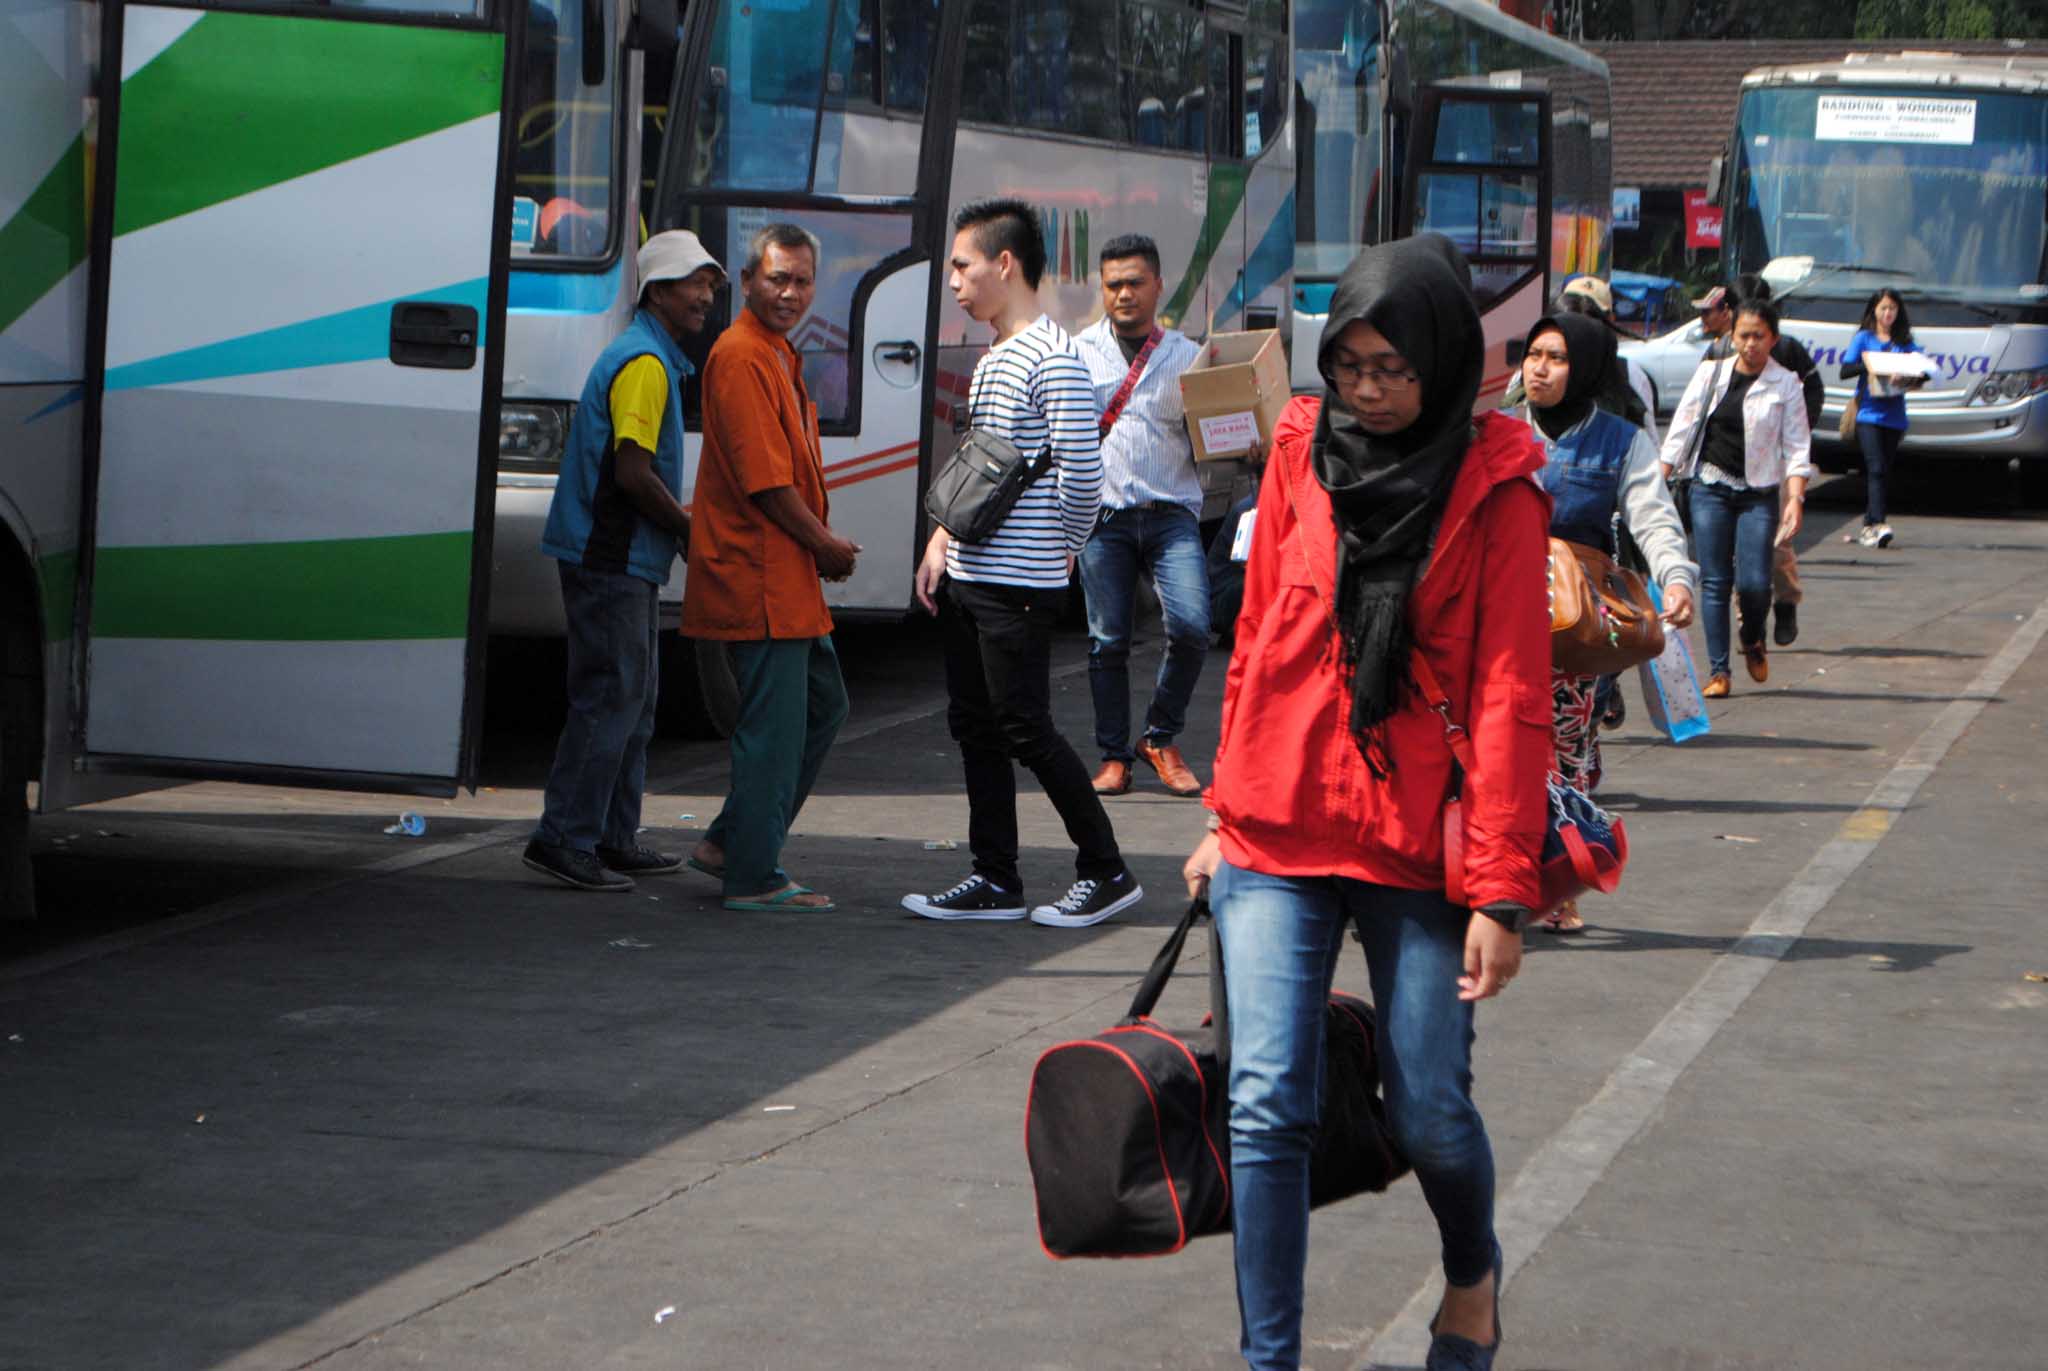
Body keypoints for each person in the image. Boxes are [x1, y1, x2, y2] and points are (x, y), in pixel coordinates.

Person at [1183, 235, 1550, 1371]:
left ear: (1441, 362)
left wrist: (1500, 889)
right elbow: (1258, 639)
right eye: (1347, 366)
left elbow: (1508, 697)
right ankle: (1268, 1361)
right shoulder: (1297, 447)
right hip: (1275, 825)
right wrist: (1217, 811)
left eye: (1392, 369)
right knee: (1263, 1103)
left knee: (1429, 1109)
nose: (1368, 391)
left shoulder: (1497, 483)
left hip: (1415, 844)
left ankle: (1471, 1274)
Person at [902, 199, 1143, 930]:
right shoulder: (993, 360)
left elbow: (1082, 476)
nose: (954, 281)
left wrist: (1056, 554)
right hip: (973, 577)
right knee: (976, 726)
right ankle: (994, 876)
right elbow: (978, 467)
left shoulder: (1054, 358)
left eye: (962, 266)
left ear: (1004, 264)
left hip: (1018, 583)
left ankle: (1106, 870)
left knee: (1025, 728)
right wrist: (942, 541)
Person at [524, 231, 715, 891]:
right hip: (610, 558)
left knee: (635, 699)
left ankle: (611, 835)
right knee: (613, 698)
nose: (707, 295)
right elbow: (633, 474)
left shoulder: (652, 357)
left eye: (711, 283)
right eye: (695, 282)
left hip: (624, 558)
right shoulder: (645, 366)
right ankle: (563, 838)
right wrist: (687, 527)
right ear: (658, 291)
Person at [682, 223, 858, 913]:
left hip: (785, 579)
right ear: (747, 280)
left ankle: (731, 838)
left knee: (822, 705)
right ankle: (752, 873)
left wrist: (816, 547)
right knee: (773, 728)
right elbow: (765, 482)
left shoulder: (776, 351)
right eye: (777, 278)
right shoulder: (741, 355)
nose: (790, 292)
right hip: (759, 576)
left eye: (802, 280)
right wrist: (824, 544)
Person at [1517, 312, 1697, 934]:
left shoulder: (1622, 441)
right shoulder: (1495, 431)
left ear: (1586, 367)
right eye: (1533, 353)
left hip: (1574, 631)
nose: (1539, 367)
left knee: (1563, 754)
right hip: (1495, 618)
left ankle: (1561, 878)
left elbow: (1654, 520)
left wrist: (1676, 578)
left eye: (1556, 357)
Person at [1073, 233, 1210, 799]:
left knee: (1193, 627)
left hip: (1171, 512)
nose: (1124, 294)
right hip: (1102, 516)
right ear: (1101, 290)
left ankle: (1159, 736)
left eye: (1134, 283)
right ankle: (1113, 757)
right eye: (1113, 285)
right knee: (1107, 640)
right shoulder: (1077, 352)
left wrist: (1247, 442)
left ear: (1157, 285)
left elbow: (1214, 434)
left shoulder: (1190, 356)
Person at [1660, 300, 1814, 698]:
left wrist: (1794, 498)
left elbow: (1797, 448)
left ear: (1773, 339)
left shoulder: (1787, 385)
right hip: (1709, 487)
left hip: (1758, 493)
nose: (1750, 344)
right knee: (1714, 581)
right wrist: (1657, 480)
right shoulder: (1711, 374)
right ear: (1732, 336)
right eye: (1744, 335)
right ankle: (1718, 672)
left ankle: (1753, 635)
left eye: (1759, 336)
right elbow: (1682, 429)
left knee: (1754, 584)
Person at [1718, 274, 1822, 645]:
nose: (1750, 342)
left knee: (1776, 545)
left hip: (1774, 468)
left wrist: (1796, 433)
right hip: (1727, 470)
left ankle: (1787, 602)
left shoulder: (1789, 352)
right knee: (1734, 553)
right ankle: (1749, 623)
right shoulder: (1717, 357)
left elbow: (1814, 391)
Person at [1840, 288, 1923, 549]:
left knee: (1883, 472)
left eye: (1892, 309)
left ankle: (1868, 525)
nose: (1888, 313)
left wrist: (1908, 373)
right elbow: (1845, 370)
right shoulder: (1864, 339)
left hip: (1895, 417)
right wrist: (1872, 363)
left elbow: (1924, 372)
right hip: (1868, 414)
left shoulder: (1905, 343)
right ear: (1874, 310)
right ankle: (1878, 524)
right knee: (1875, 468)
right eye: (1883, 308)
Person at [1557, 275, 1660, 448]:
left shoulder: (1630, 374)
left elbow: (1648, 444)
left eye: (1589, 319)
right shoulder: (1532, 370)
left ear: (1609, 321)